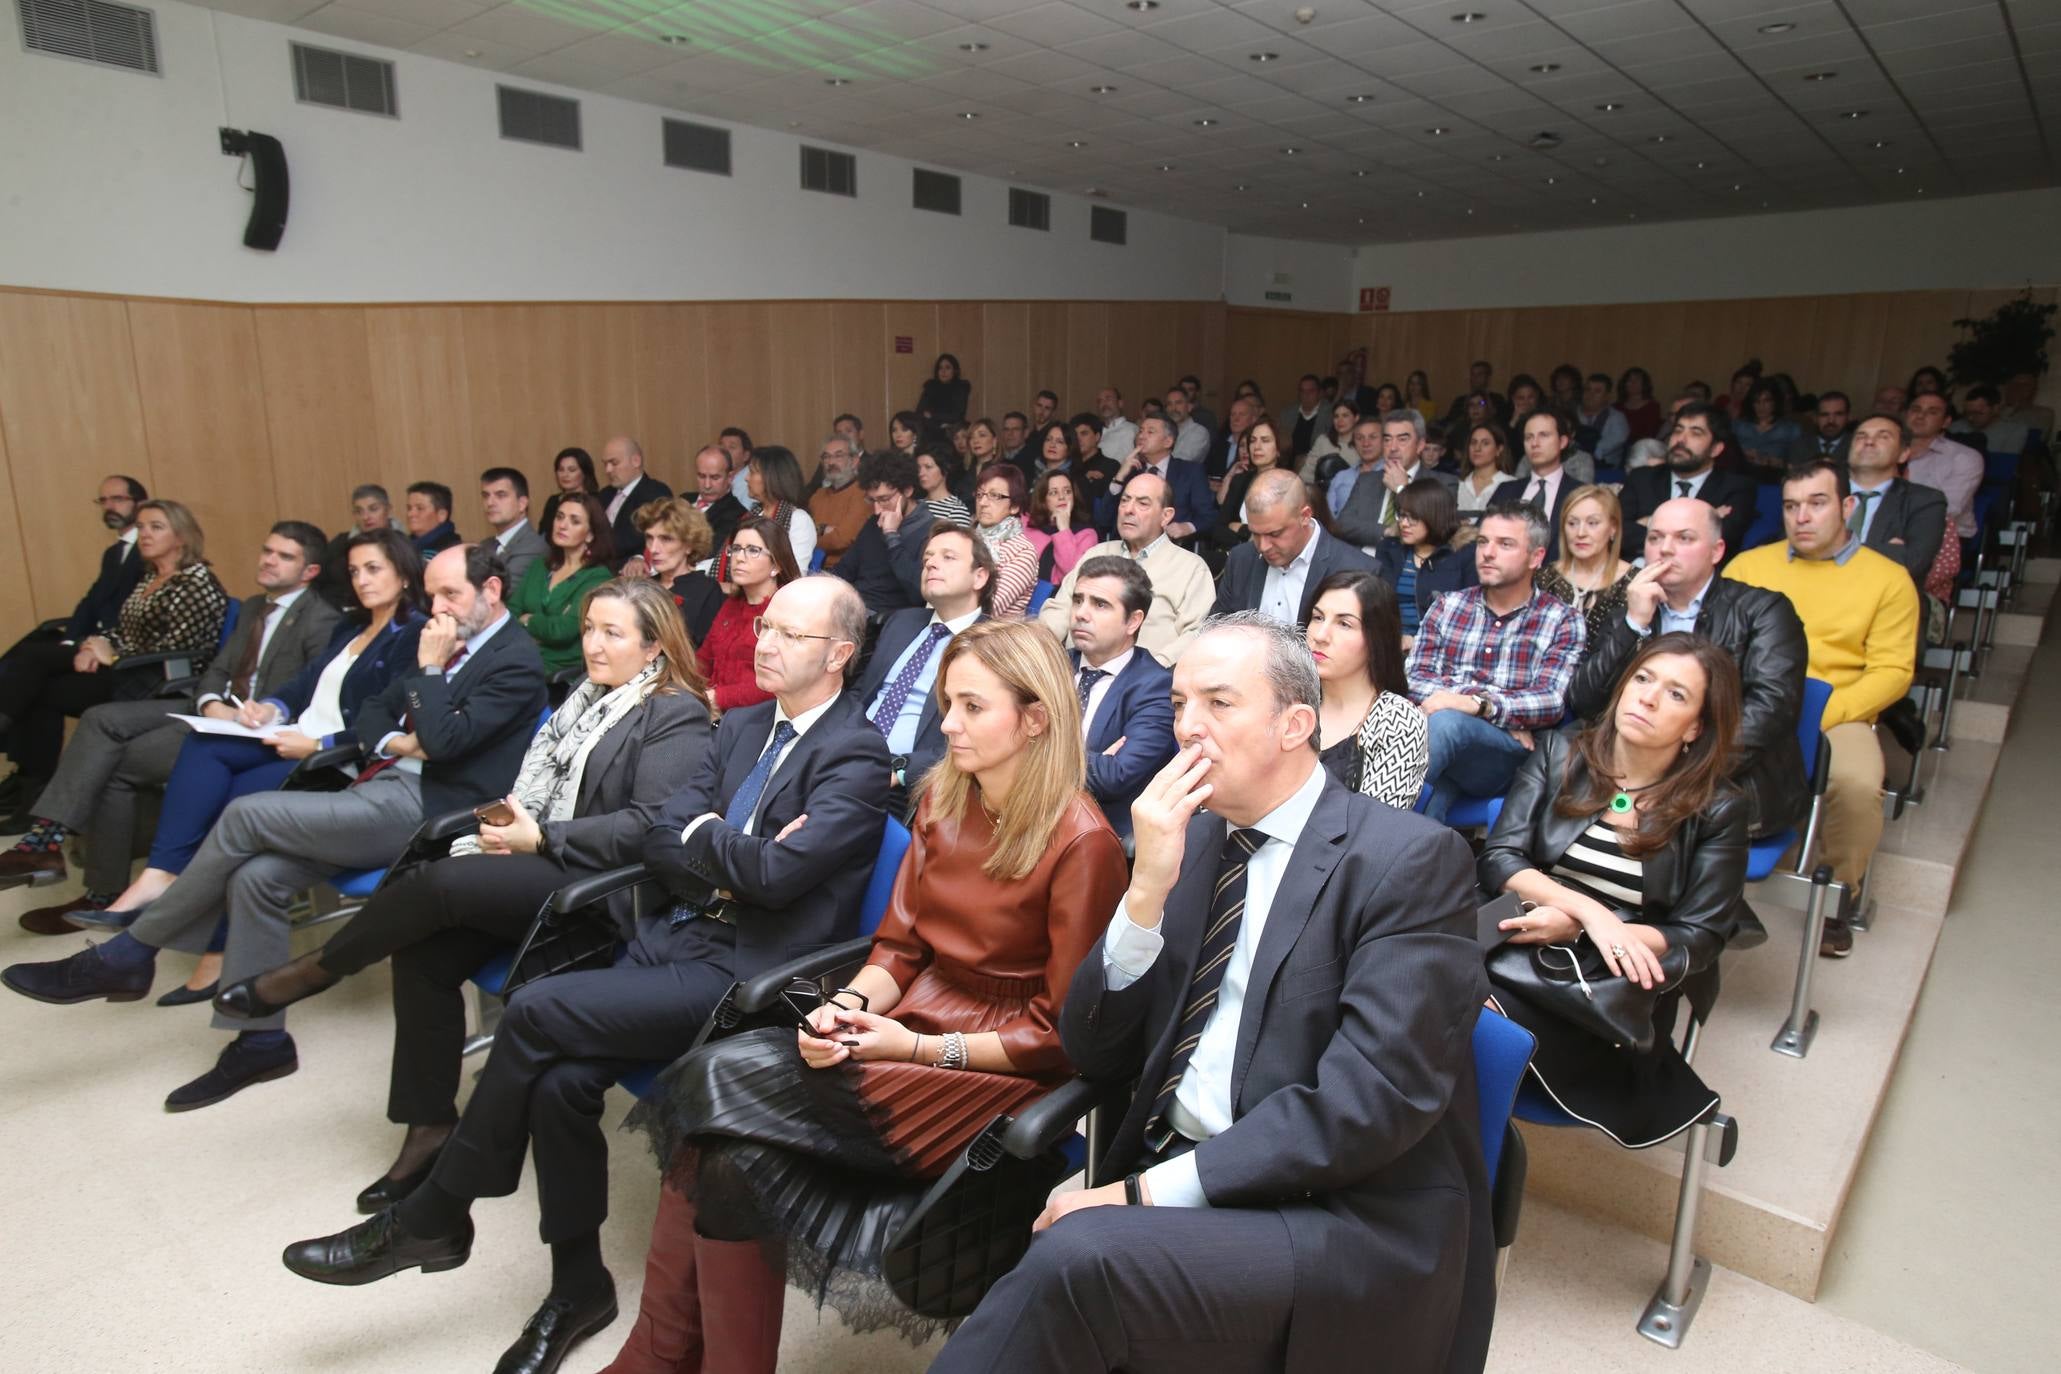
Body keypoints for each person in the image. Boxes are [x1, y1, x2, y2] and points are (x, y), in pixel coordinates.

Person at [282, 576, 891, 1374]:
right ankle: (578, 1288)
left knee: (533, 1009)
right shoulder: (741, 725)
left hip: (751, 975)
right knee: (561, 1082)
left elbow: (775, 878)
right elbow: (666, 838)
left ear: (839, 654)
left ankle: (435, 1215)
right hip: (673, 935)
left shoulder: (857, 751)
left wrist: (715, 849)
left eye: (789, 635)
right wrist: (723, 851)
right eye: (764, 627)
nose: (764, 643)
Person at [931, 614, 1494, 1374]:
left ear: (1296, 725)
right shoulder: (1190, 840)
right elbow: (1093, 1047)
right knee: (1029, 1251)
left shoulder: (1407, 861)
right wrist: (1144, 897)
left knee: (1080, 1260)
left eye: (1218, 704)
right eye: (1175, 705)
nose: (1187, 728)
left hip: (1327, 1209)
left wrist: (1140, 1196)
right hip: (1178, 1154)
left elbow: (1368, 1104)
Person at [599, 618, 1127, 1371]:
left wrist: (908, 1044)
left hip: (992, 1071)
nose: (946, 725)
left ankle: (656, 1357)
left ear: (1035, 718)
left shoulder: (1083, 844)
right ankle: (665, 1353)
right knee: (718, 1156)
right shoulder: (945, 799)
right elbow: (898, 950)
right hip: (907, 1026)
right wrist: (849, 1008)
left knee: (708, 1078)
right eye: (947, 703)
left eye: (973, 708)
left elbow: (1057, 1036)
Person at [214, 579, 712, 1217]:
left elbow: (649, 827)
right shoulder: (585, 696)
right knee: (425, 955)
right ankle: (427, 1130)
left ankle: (317, 969)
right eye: (589, 628)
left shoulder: (675, 711)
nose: (592, 644)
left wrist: (542, 838)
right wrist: (514, 830)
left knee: (441, 882)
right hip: (543, 865)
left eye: (611, 633)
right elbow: (534, 788)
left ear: (654, 649)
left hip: (602, 893)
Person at [2, 545, 548, 1108]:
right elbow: (372, 712)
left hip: (428, 809)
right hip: (381, 785)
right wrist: (403, 737)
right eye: (432, 593)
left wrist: (430, 675)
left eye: (451, 594)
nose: (438, 606)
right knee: (256, 877)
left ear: (492, 592)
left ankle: (130, 953)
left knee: (245, 811)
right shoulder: (443, 635)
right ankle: (261, 1044)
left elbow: (445, 742)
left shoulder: (514, 660)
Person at [0, 523, 342, 934]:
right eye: (267, 550)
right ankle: (48, 841)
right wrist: (211, 702)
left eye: (284, 556)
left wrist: (250, 715)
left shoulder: (322, 620)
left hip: (255, 727)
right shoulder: (254, 606)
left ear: (310, 572)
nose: (268, 559)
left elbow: (310, 694)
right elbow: (217, 669)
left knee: (116, 764)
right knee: (99, 718)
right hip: (211, 711)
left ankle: (96, 887)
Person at [1481, 632, 1747, 1148]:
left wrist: (1588, 932)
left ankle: (1468, 1195)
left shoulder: (1718, 809)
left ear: (1696, 726)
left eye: (1675, 694)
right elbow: (1500, 857)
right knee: (1419, 991)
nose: (1647, 697)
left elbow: (1703, 935)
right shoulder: (1561, 752)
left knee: (1462, 1023)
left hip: (1603, 991)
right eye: (1643, 679)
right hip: (1514, 947)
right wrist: (1586, 913)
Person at [1727, 461, 1919, 956]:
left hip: (1839, 709)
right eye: (1791, 506)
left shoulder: (1888, 578)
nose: (1802, 517)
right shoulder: (1751, 565)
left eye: (1817, 503)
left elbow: (1893, 671)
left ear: (1847, 507)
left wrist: (1817, 716)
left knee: (1855, 787)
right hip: (1753, 700)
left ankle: (1837, 894)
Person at [1569, 498, 1807, 840]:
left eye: (1684, 538)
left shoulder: (1763, 610)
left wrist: (1673, 773)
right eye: (1654, 539)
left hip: (1727, 782)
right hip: (1626, 778)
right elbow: (1585, 703)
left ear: (1716, 550)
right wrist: (1634, 625)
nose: (1665, 550)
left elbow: (1772, 709)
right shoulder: (1628, 613)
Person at [0, 499, 229, 802]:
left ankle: (31, 790)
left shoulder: (195, 582)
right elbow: (122, 630)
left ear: (182, 537)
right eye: (142, 527)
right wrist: (91, 647)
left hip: (151, 681)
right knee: (38, 685)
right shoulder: (151, 577)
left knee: (33, 659)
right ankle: (32, 795)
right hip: (123, 670)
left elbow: (179, 648)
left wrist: (116, 657)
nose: (144, 534)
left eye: (156, 527)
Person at [1408, 504, 1584, 824]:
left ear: (1536, 557)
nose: (1487, 553)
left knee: (1448, 723)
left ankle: (1361, 816)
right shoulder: (1448, 605)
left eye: (1505, 544)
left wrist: (1474, 705)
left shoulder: (1562, 620)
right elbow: (1415, 677)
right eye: (1482, 542)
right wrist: (1481, 705)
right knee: (1431, 803)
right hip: (1446, 744)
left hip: (1506, 757)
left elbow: (1549, 701)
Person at [860, 523, 995, 806]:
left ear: (979, 576)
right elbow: (859, 694)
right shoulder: (901, 622)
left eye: (948, 557)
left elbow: (987, 736)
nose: (931, 563)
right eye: (927, 558)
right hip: (849, 759)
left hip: (914, 786)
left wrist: (902, 769)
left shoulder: (994, 645)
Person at [1042, 472, 1214, 667]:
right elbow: (1059, 610)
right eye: (1124, 501)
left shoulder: (1190, 568)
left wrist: (1150, 672)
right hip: (1076, 674)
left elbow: (1195, 634)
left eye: (1142, 503)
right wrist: (1041, 654)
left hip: (1147, 686)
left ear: (1166, 516)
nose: (1128, 510)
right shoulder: (1097, 554)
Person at [1064, 556, 1176, 841]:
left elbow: (1115, 777)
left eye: (1099, 604)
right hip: (1030, 817)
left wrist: (1035, 752)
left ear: (1133, 621)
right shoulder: (1049, 666)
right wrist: (1094, 760)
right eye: (1078, 600)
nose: (1081, 613)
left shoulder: (1155, 686)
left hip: (1097, 834)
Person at [1307, 571, 1428, 810]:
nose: (1320, 636)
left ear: (1377, 638)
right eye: (1318, 617)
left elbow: (1374, 832)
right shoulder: (1288, 699)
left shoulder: (1396, 720)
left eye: (1344, 624)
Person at [1212, 468, 1376, 624]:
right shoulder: (1241, 559)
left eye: (1274, 534)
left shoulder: (1358, 572)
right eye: (1255, 533)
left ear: (1305, 516)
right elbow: (1216, 630)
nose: (1263, 546)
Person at [1617, 402, 1757, 555]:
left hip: (1698, 576)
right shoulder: (1642, 478)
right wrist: (1698, 524)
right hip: (1637, 570)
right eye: (1678, 430)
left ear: (1716, 449)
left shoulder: (1736, 488)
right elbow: (1618, 533)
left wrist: (1648, 522)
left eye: (1695, 433)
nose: (1681, 440)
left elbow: (1717, 542)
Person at [698, 517, 802, 713]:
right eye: (736, 549)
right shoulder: (731, 604)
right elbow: (704, 659)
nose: (739, 557)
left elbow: (781, 684)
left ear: (776, 565)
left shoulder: (788, 612)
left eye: (753, 550)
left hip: (757, 718)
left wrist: (718, 697)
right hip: (713, 709)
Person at [508, 494, 615, 676]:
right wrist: (538, 628)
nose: (562, 525)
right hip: (521, 658)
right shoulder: (539, 566)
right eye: (560, 517)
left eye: (575, 521)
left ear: (589, 534)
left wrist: (528, 620)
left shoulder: (597, 577)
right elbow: (510, 612)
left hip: (559, 672)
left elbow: (562, 630)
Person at [1845, 413, 1948, 592]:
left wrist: (1828, 551)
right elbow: (1790, 552)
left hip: (1885, 603)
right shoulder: (1818, 494)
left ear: (1903, 454)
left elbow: (1912, 561)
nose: (1869, 442)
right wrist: (1886, 551)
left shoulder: (1925, 500)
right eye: (1861, 436)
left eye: (1883, 436)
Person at [1374, 477, 1477, 649]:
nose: (1403, 523)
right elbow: (1377, 605)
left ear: (1434, 516)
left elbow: (1470, 616)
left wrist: (1416, 642)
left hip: (1443, 647)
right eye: (1402, 515)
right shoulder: (1390, 549)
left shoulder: (1464, 553)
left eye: (1412, 517)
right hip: (1391, 646)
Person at [832, 450, 936, 622]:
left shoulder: (931, 530)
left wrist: (891, 536)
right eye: (872, 500)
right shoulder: (874, 523)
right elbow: (844, 569)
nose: (877, 509)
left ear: (908, 490)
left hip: (893, 619)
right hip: (855, 608)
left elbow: (919, 592)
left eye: (884, 499)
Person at [1333, 410, 1456, 550]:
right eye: (1387, 439)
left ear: (1420, 445)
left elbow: (1438, 530)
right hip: (1363, 563)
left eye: (1402, 439)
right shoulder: (1367, 480)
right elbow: (1343, 525)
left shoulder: (1443, 483)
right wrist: (1387, 532)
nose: (1392, 448)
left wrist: (1402, 490)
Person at [1535, 485, 1637, 650]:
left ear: (1613, 528)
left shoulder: (1634, 582)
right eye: (1572, 523)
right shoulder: (1545, 578)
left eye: (1592, 523)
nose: (1580, 532)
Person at [1096, 415, 1217, 542]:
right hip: (1129, 548)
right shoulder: (1130, 471)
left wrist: (1187, 527)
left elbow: (1208, 516)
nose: (1141, 436)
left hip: (1173, 547)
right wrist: (1119, 477)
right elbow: (1104, 519)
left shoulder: (1190, 472)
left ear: (1168, 442)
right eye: (1141, 431)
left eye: (1150, 432)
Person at [629, 499, 724, 644]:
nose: (653, 549)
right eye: (649, 538)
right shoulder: (642, 587)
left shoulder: (707, 591)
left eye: (666, 539)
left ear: (689, 545)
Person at [1491, 410, 1579, 560]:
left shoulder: (1580, 493)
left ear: (1563, 442)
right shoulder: (1506, 490)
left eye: (1543, 435)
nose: (1534, 443)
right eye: (1528, 437)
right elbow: (1480, 537)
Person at [1903, 392, 1984, 541]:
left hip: (1944, 536)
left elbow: (1949, 508)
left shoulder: (1964, 457)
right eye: (1916, 409)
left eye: (1932, 412)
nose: (1920, 416)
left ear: (1946, 422)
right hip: (1887, 528)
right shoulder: (1887, 450)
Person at [1206, 416, 1285, 556]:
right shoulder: (1240, 481)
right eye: (1253, 441)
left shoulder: (1289, 485)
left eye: (1265, 440)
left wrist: (1241, 528)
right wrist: (1245, 540)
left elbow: (1279, 535)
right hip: (1235, 556)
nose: (1257, 447)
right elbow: (1218, 528)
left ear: (1278, 448)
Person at [971, 462, 1041, 619]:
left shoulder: (1023, 552)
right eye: (980, 494)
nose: (982, 503)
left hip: (991, 635)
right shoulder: (967, 539)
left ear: (1014, 506)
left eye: (994, 496)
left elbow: (988, 608)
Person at [315, 484, 391, 611]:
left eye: (373, 509)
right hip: (336, 611)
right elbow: (317, 581)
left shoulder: (403, 544)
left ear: (387, 510)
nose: (366, 517)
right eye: (359, 511)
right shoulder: (340, 543)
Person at [600, 435, 676, 556]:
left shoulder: (655, 493)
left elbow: (640, 538)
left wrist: (639, 557)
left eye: (614, 463)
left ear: (636, 461)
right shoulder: (605, 494)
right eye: (605, 464)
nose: (608, 470)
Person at [1026, 469, 1097, 588]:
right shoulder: (1030, 527)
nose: (1062, 497)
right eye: (1053, 493)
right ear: (1043, 499)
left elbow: (1072, 575)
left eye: (1067, 491)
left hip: (1060, 599)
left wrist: (1064, 529)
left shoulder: (1087, 534)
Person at [808, 434, 868, 569]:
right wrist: (826, 530)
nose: (831, 462)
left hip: (847, 572)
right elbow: (805, 535)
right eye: (826, 457)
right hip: (814, 570)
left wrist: (818, 531)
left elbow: (842, 540)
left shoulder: (863, 494)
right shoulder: (817, 496)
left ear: (854, 461)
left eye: (838, 456)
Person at [480, 467, 549, 586]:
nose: (490, 503)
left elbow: (501, 590)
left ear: (522, 504)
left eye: (501, 495)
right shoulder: (485, 544)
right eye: (486, 496)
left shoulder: (534, 546)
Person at [1734, 380, 1801, 479]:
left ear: (1775, 402)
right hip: (1741, 477)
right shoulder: (1739, 426)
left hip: (1775, 478)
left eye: (1766, 401)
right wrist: (1742, 455)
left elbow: (1798, 465)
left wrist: (1770, 461)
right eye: (1757, 401)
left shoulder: (1790, 429)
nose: (1761, 406)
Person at [685, 443, 746, 553]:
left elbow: (707, 553)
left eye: (715, 477)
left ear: (730, 477)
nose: (707, 485)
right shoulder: (683, 500)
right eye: (701, 476)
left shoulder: (737, 515)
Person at [1456, 420, 1515, 519]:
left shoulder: (1512, 484)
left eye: (1485, 443)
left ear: (1499, 450)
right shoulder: (1457, 485)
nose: (1477, 448)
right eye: (1473, 443)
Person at [1572, 372, 1630, 469]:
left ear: (1607, 396)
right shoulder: (1571, 414)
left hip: (1605, 469)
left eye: (1597, 391)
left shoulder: (1617, 418)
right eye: (1587, 390)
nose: (1590, 395)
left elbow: (1605, 447)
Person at [539, 447, 599, 535]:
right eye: (561, 470)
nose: (565, 475)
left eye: (572, 470)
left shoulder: (595, 500)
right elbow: (543, 534)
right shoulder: (553, 501)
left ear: (585, 473)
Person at [915, 441, 972, 525]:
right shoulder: (916, 505)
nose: (921, 473)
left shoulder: (956, 510)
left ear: (945, 470)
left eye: (928, 467)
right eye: (918, 468)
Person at [1298, 399, 1358, 481]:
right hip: (1322, 491)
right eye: (1336, 416)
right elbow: (1308, 471)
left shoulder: (1363, 443)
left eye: (1345, 416)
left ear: (1356, 418)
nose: (1340, 421)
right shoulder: (1323, 441)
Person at [1278, 373, 1328, 460]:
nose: (1306, 395)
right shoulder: (1287, 414)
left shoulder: (1329, 414)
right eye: (1302, 391)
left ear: (1319, 393)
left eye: (1311, 391)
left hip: (1316, 462)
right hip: (1289, 463)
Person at [403, 482, 461, 556]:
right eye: (409, 508)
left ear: (441, 515)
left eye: (420, 508)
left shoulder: (452, 550)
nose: (410, 514)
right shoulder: (403, 546)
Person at [1800, 391, 1855, 463]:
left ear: (1849, 417)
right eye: (1824, 415)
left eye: (1838, 414)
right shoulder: (1801, 445)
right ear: (1815, 418)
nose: (1831, 421)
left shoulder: (1856, 445)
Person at [919, 352, 971, 422]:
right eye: (940, 368)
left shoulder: (961, 387)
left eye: (947, 368)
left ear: (955, 371)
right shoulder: (930, 386)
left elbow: (957, 416)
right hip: (928, 426)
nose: (943, 371)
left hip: (951, 429)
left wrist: (932, 415)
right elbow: (920, 411)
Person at [1618, 366, 1663, 442]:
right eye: (1629, 380)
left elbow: (1651, 433)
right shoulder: (1616, 407)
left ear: (1644, 384)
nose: (1633, 383)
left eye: (1637, 380)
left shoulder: (1652, 407)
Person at [1095, 387, 1138, 461]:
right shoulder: (1094, 432)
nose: (1103, 404)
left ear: (1120, 403)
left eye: (1108, 399)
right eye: (1100, 401)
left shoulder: (1132, 430)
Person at [718, 427, 756, 506]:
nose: (724, 451)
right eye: (721, 447)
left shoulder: (751, 484)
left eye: (732, 447)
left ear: (746, 455)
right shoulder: (716, 480)